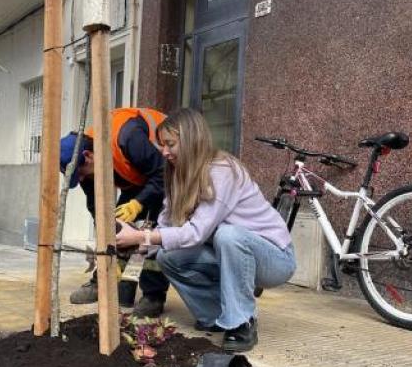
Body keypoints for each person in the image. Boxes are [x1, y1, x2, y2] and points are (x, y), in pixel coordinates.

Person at [115, 108, 296, 352]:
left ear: (191, 140)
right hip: (226, 250)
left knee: (228, 235)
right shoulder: (177, 173)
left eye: (170, 144)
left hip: (275, 258)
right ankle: (217, 316)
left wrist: (142, 236)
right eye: (161, 145)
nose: (164, 152)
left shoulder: (222, 171)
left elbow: (195, 233)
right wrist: (137, 245)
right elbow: (166, 225)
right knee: (167, 257)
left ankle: (241, 322)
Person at [60, 107, 170, 317]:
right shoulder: (83, 167)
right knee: (118, 225)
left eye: (80, 174)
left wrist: (139, 203)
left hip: (167, 173)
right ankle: (106, 281)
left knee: (151, 233)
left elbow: (162, 173)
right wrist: (107, 250)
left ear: (88, 156)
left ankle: (153, 295)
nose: (81, 180)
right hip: (139, 177)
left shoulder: (128, 137)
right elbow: (98, 210)